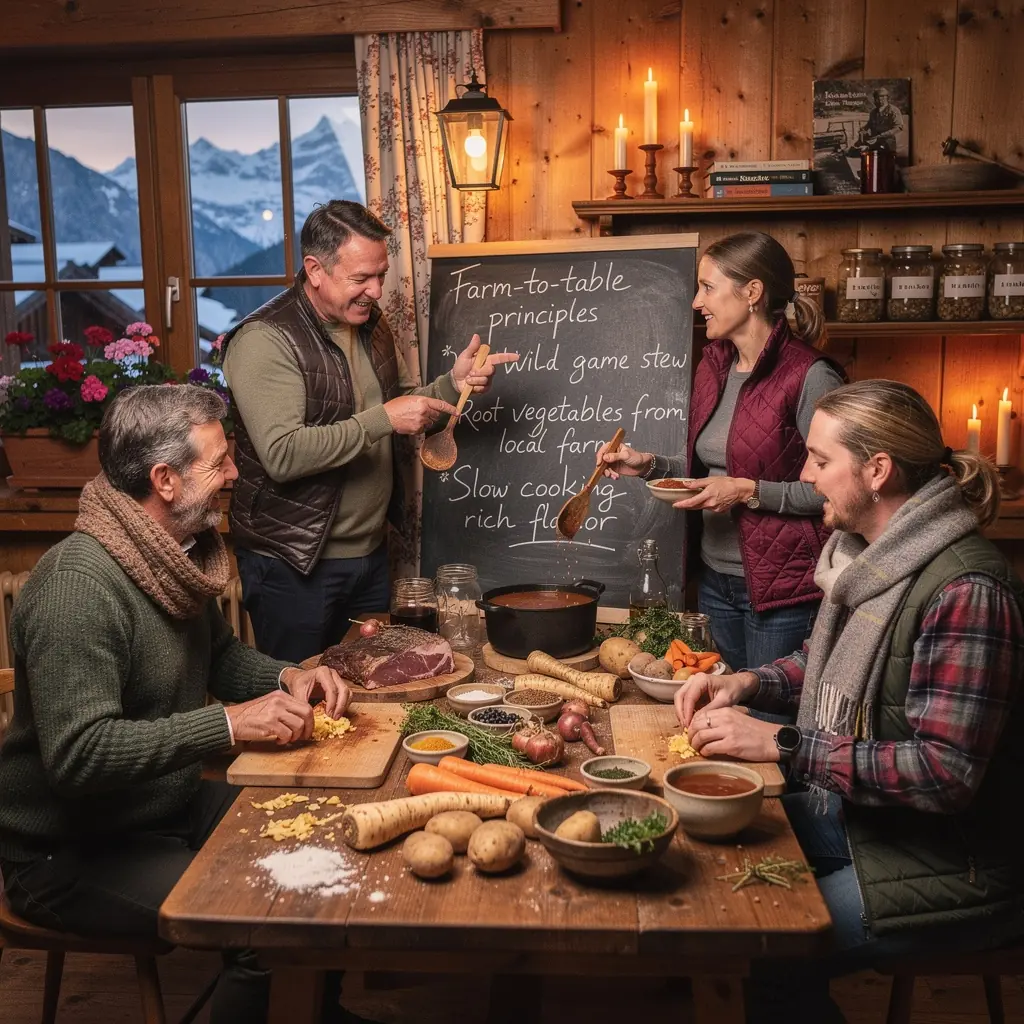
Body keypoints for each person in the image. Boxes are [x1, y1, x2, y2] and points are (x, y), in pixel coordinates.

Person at [0, 385, 355, 1024]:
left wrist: (288, 678)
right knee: (257, 921)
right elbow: (79, 757)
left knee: (326, 846)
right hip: (68, 849)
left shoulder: (166, 559)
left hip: (159, 804)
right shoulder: (76, 587)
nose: (235, 474)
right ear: (165, 479)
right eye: (220, 462)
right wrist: (225, 723)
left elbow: (220, 659)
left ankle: (309, 1014)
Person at [674, 379, 1024, 1023]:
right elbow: (822, 661)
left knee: (763, 941)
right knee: (710, 855)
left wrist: (785, 744)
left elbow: (944, 775)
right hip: (871, 822)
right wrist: (745, 683)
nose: (806, 477)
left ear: (878, 471)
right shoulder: (867, 557)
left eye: (819, 459)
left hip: (955, 859)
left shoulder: (967, 590)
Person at [222, 199, 517, 662]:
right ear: (314, 269)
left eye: (380, 275)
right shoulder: (265, 340)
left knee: (370, 703)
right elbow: (282, 454)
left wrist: (451, 385)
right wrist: (386, 419)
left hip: (371, 557)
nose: (376, 291)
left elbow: (402, 402)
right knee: (307, 708)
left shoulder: (370, 324)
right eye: (361, 279)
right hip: (295, 564)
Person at [599, 232, 844, 671]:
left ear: (752, 292)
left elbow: (838, 493)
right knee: (722, 711)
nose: (696, 302)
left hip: (782, 589)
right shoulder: (715, 365)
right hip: (715, 582)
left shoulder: (811, 376)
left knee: (766, 718)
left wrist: (749, 491)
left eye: (708, 287)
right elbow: (715, 471)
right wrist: (649, 464)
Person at [856, 87, 904, 152]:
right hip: (873, 141)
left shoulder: (894, 110)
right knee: (863, 155)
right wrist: (863, 129)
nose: (878, 99)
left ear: (886, 98)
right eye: (876, 98)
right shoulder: (873, 112)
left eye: (881, 97)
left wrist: (881, 136)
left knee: (885, 159)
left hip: (887, 142)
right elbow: (869, 124)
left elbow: (898, 127)